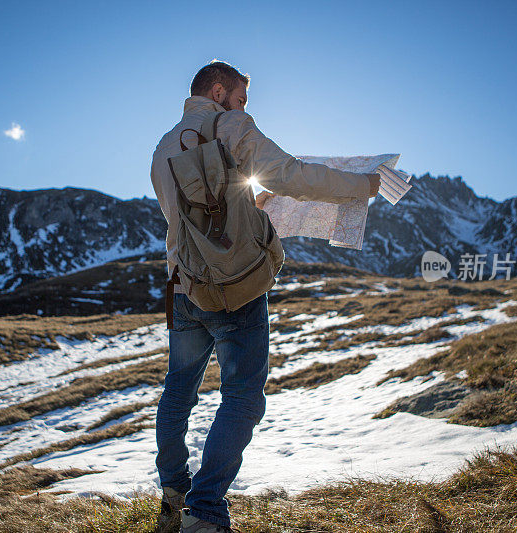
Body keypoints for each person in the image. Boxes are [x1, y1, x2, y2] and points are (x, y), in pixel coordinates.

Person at [149, 60, 381, 532]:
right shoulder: (231, 125)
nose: (243, 107)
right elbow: (291, 175)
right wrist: (364, 186)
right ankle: (205, 510)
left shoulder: (162, 146)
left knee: (178, 391)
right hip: (235, 289)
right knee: (242, 397)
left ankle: (174, 496)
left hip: (184, 286)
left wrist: (247, 204)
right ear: (219, 91)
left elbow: (191, 219)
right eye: (240, 99)